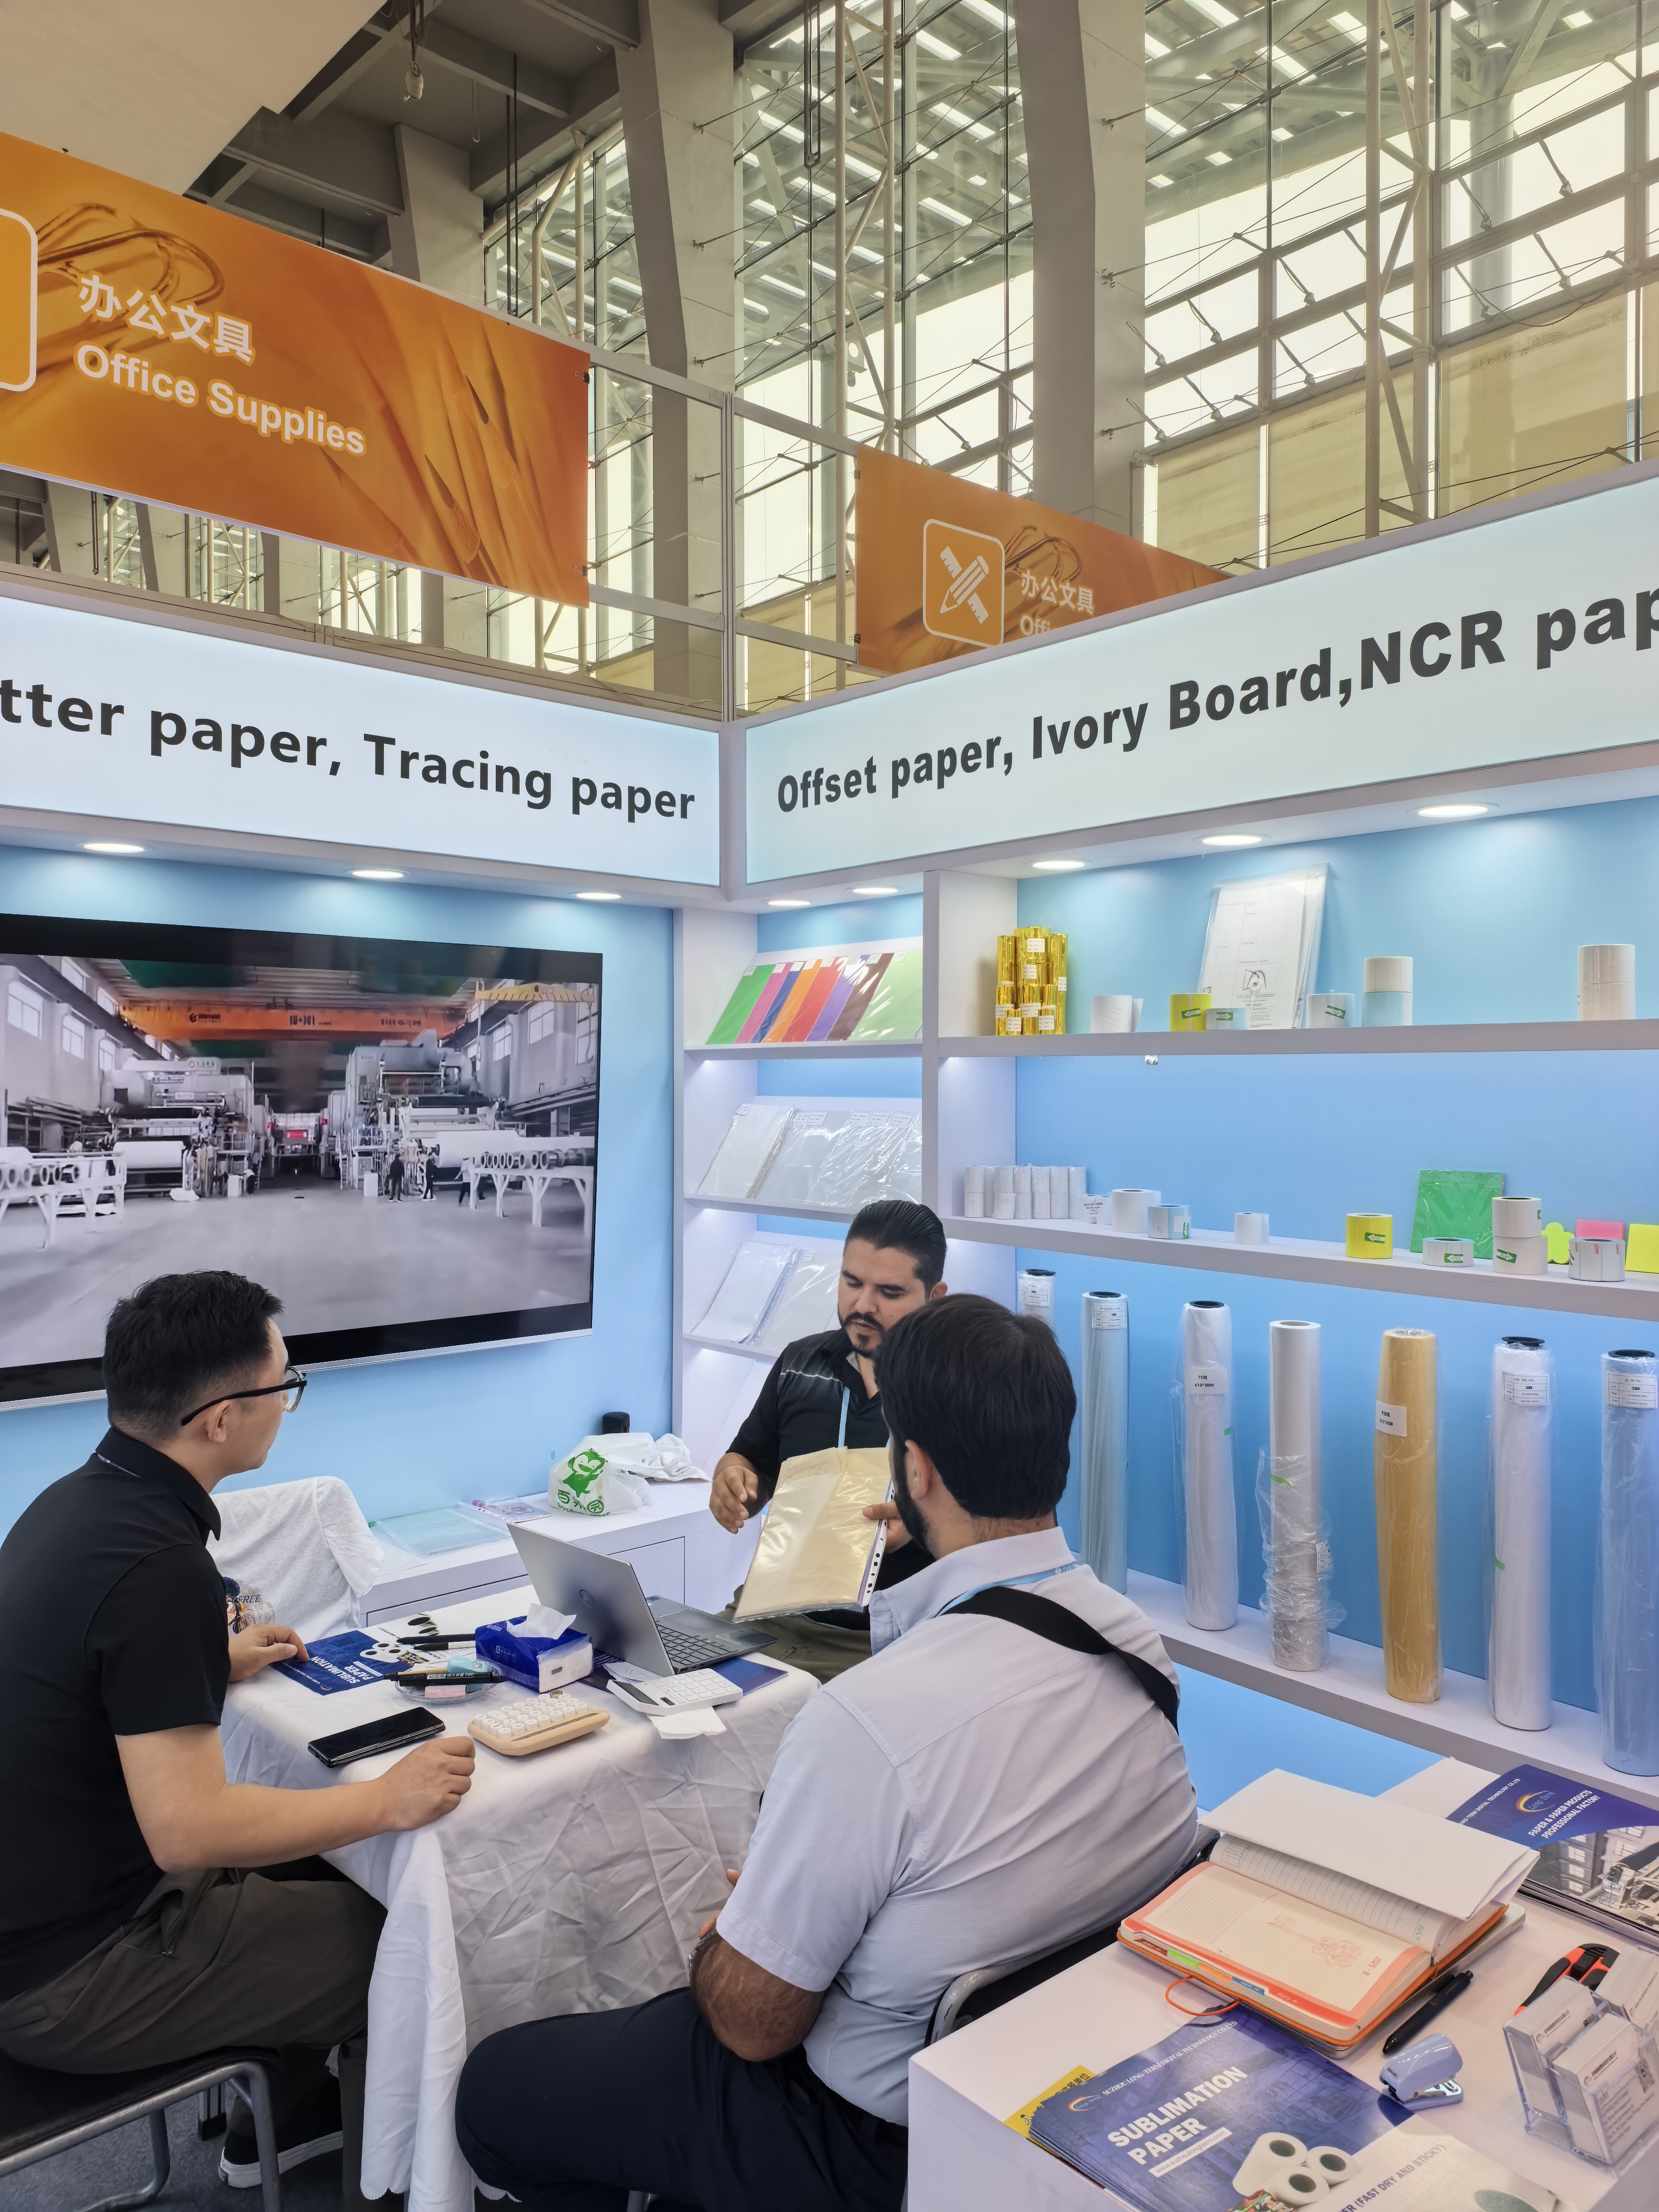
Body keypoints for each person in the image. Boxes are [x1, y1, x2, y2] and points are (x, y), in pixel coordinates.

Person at [456, 1292, 1197, 2212]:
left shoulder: (869, 1720)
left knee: (494, 2093)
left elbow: (752, 2023)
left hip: (863, 2139)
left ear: (913, 1469)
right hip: (1054, 2084)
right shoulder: (1135, 1646)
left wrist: (740, 1937)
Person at [0, 1271, 475, 2209]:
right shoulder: (159, 1566)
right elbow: (188, 1832)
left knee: (328, 1869)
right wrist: (387, 1799)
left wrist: (204, 1664)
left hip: (42, 1916)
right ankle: (384, 2181)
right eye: (282, 1386)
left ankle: (282, 2118)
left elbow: (80, 1681)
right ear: (221, 1418)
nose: (286, 1404)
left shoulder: (77, 1504)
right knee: (410, 1942)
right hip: (74, 1974)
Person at [707, 1197, 948, 1680]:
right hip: (764, 1618)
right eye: (852, 1282)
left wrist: (920, 1526)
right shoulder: (800, 1363)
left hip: (880, 1641)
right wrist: (732, 1481)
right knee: (657, 1694)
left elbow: (994, 1539)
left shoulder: (961, 1390)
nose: (863, 1306)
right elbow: (750, 1460)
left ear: (935, 1296)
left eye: (889, 1292)